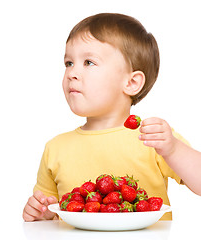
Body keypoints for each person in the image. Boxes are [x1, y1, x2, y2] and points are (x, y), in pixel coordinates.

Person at [23, 13, 201, 222]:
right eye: (69, 63)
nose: (72, 73)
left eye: (88, 62)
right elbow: (49, 212)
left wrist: (173, 149)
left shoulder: (154, 138)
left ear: (132, 83)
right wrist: (41, 213)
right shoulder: (55, 148)